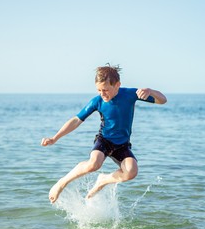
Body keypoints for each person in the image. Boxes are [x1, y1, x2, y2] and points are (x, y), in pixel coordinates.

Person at [41, 65, 167, 203]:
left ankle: (103, 180)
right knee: (94, 164)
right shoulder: (98, 101)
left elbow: (162, 100)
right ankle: (62, 183)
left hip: (122, 145)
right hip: (104, 140)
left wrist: (150, 91)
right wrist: (54, 138)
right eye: (99, 90)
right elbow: (77, 120)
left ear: (117, 85)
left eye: (105, 90)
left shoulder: (130, 94)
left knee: (131, 172)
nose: (102, 93)